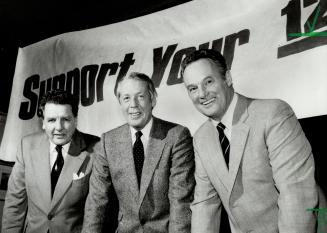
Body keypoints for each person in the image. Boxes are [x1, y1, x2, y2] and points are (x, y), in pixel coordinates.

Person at [181, 49, 320, 233]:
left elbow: (296, 194)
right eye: (193, 88)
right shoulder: (201, 138)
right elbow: (204, 204)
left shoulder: (273, 114)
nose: (202, 94)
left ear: (228, 78)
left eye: (208, 82)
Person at [82, 72, 195, 233]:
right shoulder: (107, 141)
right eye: (126, 98)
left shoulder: (176, 136)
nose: (133, 104)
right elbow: (96, 201)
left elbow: (181, 201)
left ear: (153, 99)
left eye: (140, 96)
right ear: (120, 103)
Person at [2, 89, 99, 233]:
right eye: (52, 120)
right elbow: (15, 204)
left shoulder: (97, 149)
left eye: (65, 119)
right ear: (43, 123)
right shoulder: (26, 146)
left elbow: (98, 210)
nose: (58, 127)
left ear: (75, 120)